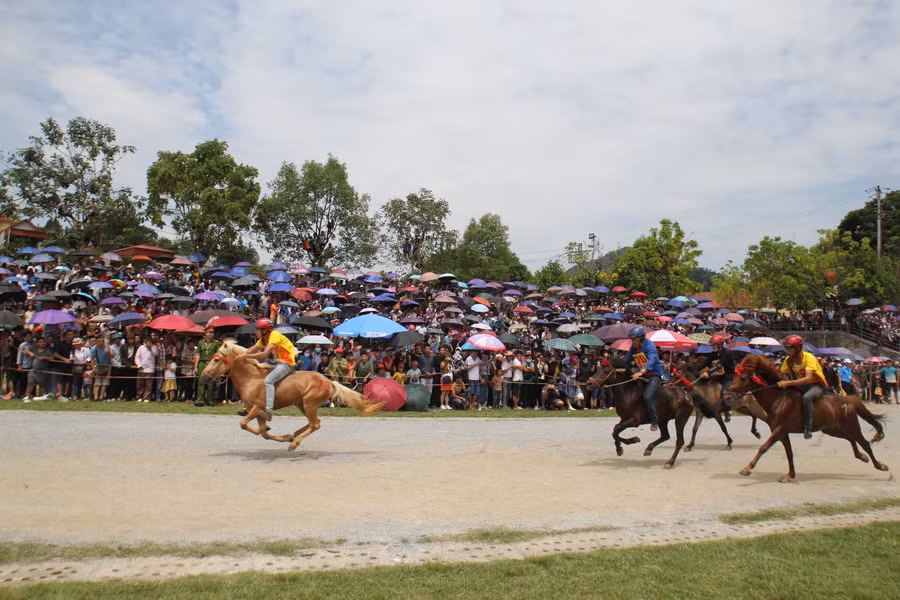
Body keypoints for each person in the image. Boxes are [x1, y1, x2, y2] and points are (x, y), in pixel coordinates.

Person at [241, 318, 296, 421]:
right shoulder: (263, 340)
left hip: (286, 363)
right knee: (261, 380)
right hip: (277, 363)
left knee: (268, 381)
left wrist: (245, 357)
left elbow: (264, 354)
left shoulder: (274, 335)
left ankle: (268, 412)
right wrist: (237, 355)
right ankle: (252, 406)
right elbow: (249, 350)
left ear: (265, 330)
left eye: (258, 329)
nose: (256, 331)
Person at [779, 335, 828, 439]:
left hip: (816, 385)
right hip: (802, 385)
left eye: (789, 348)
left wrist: (788, 383)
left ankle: (808, 428)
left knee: (807, 397)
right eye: (786, 348)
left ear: (797, 348)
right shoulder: (788, 360)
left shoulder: (808, 357)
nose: (787, 350)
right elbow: (781, 373)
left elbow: (809, 378)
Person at [623, 326, 662, 431]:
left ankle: (654, 421)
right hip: (642, 376)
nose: (632, 341)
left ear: (641, 338)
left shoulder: (650, 345)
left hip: (654, 375)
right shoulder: (633, 348)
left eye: (634, 338)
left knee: (648, 396)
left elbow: (652, 359)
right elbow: (627, 359)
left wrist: (642, 372)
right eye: (631, 339)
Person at [700, 334, 737, 421]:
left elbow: (719, 366)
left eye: (714, 345)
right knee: (707, 387)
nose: (712, 347)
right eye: (712, 345)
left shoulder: (726, 353)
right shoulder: (713, 354)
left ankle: (727, 411)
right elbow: (705, 364)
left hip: (728, 376)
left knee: (724, 391)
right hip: (718, 376)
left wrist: (708, 373)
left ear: (719, 345)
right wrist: (696, 370)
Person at [194, 327, 220, 407]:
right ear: (205, 333)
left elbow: (217, 355)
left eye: (212, 332)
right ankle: (201, 400)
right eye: (209, 332)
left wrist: (215, 366)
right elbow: (198, 355)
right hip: (202, 363)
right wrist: (196, 366)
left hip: (211, 364)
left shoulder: (216, 343)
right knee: (201, 381)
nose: (211, 334)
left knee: (210, 382)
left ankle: (210, 400)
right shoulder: (201, 343)